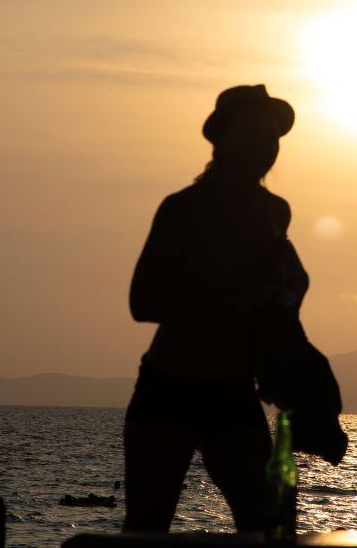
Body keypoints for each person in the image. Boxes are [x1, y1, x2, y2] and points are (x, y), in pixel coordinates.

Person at [123, 84, 310, 533]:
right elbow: (141, 301)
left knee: (268, 523)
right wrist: (222, 306)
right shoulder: (182, 209)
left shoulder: (276, 212)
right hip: (170, 388)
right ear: (219, 139)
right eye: (251, 134)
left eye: (272, 138)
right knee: (147, 527)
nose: (264, 147)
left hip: (235, 391)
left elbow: (285, 289)